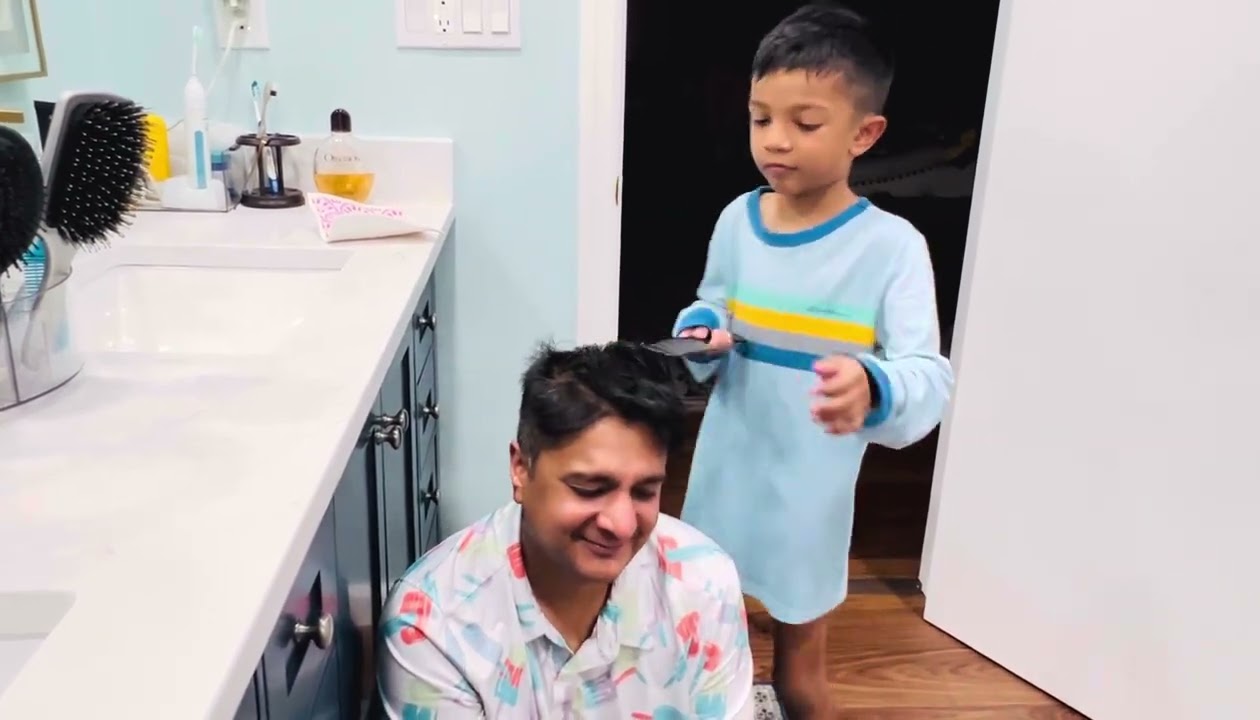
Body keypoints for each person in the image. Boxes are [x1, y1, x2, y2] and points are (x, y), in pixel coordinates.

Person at [672, 4, 955, 718]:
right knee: (710, 641)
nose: (775, 140)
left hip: (809, 492)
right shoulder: (737, 220)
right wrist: (702, 334)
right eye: (760, 118)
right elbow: (712, 304)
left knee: (800, 667)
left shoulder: (891, 249)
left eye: (804, 123)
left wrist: (873, 386)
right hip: (725, 470)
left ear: (865, 133)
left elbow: (927, 373)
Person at [377, 341, 754, 718]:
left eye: (644, 492)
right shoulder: (433, 625)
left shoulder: (704, 584)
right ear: (521, 468)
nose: (622, 524)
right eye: (589, 489)